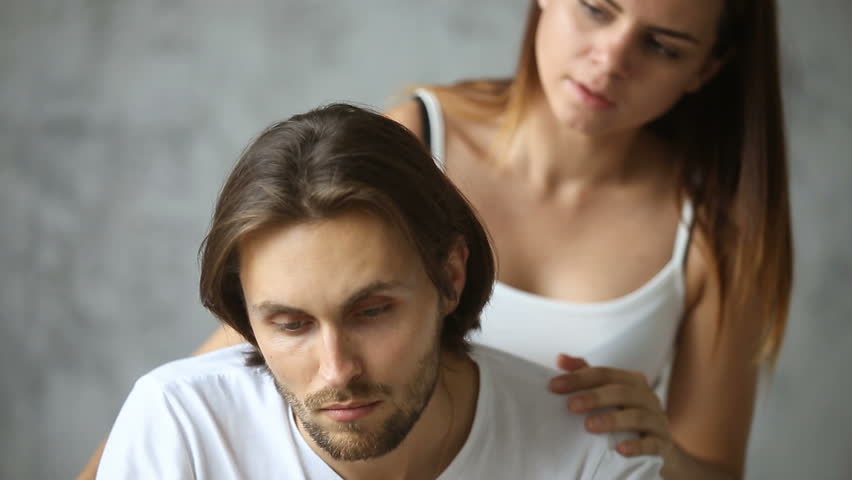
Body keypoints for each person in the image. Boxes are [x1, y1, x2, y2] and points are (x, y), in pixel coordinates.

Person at [80, 0, 793, 478]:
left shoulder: (717, 233)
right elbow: (252, 340)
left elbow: (715, 467)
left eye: (662, 46)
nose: (609, 59)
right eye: (595, 6)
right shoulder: (420, 138)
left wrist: (653, 450)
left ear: (706, 69)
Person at [95, 104, 663, 479]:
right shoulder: (179, 427)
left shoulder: (590, 450)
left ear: (451, 278)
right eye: (291, 325)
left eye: (371, 311)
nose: (337, 371)